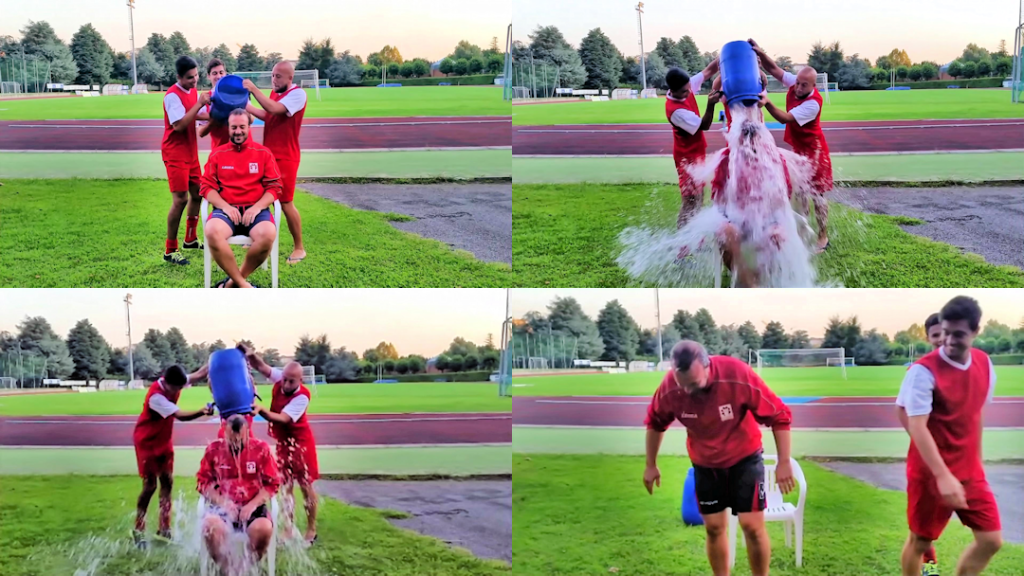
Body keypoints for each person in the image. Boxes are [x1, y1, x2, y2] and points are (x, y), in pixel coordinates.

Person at [644, 340, 794, 576]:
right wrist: (650, 465)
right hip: (705, 463)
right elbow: (655, 423)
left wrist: (783, 462)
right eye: (681, 384)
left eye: (693, 384)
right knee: (714, 528)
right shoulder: (670, 388)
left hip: (744, 457)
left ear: (707, 366)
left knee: (752, 526)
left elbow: (779, 415)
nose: (686, 391)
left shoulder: (736, 375)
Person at [895, 296, 1002, 576]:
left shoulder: (985, 365)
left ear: (976, 332)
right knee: (920, 541)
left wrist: (976, 462)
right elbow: (916, 425)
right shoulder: (922, 371)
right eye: (945, 332)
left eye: (959, 334)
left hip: (969, 472)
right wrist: (942, 475)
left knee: (991, 540)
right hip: (931, 474)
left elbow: (974, 416)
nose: (950, 340)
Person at [749, 39, 833, 252]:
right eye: (797, 83)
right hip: (799, 149)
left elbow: (785, 118)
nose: (798, 87)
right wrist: (761, 51)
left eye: (804, 85)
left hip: (815, 151)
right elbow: (776, 70)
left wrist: (767, 103)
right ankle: (802, 231)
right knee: (801, 192)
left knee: (817, 195)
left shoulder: (813, 103)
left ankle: (823, 236)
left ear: (814, 86)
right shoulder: (797, 83)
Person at [243, 346, 320, 544]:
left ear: (300, 381)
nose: (284, 383)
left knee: (305, 486)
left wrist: (260, 410)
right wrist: (250, 354)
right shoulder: (281, 378)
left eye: (290, 381)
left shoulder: (302, 396)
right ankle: (288, 527)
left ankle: (311, 529)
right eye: (284, 379)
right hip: (284, 444)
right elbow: (262, 366)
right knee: (285, 486)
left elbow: (283, 418)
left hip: (301, 444)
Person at [199, 109, 283, 288]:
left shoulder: (263, 153)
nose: (238, 131)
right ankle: (244, 287)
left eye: (242, 127)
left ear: (249, 126)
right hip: (225, 212)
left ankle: (230, 284)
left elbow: (275, 187)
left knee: (268, 234)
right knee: (212, 231)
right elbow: (206, 187)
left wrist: (257, 207)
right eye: (234, 127)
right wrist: (226, 207)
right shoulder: (218, 154)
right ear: (228, 128)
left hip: (256, 211)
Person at [132, 363, 213, 547]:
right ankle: (138, 528)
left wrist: (216, 360)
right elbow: (181, 415)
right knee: (150, 486)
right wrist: (201, 411)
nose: (180, 390)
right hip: (147, 442)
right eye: (177, 387)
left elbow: (199, 373)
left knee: (168, 481)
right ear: (167, 383)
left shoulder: (176, 381)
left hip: (163, 441)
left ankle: (164, 527)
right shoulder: (156, 398)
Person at [198, 413, 281, 573]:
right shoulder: (214, 450)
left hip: (253, 505)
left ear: (247, 432)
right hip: (222, 507)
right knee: (210, 526)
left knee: (264, 528)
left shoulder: (261, 450)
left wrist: (252, 505)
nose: (236, 444)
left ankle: (244, 567)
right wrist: (223, 502)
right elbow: (203, 483)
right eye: (231, 439)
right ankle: (227, 569)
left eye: (240, 440)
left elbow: (272, 484)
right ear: (224, 432)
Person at [244, 62, 308, 265]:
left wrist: (253, 90)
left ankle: (299, 248)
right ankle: (260, 237)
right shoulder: (274, 93)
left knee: (286, 202)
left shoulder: (298, 95)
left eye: (279, 76)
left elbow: (274, 109)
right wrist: (243, 105)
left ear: (290, 78)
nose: (274, 79)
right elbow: (268, 115)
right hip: (268, 155)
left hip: (286, 157)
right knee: (262, 196)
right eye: (273, 75)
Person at [161, 56, 211, 265]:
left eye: (197, 75)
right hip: (175, 153)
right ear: (179, 77)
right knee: (180, 200)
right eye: (190, 78)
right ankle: (170, 249)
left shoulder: (191, 92)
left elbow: (198, 115)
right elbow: (180, 125)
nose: (195, 80)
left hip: (190, 153)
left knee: (198, 194)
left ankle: (190, 239)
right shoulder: (172, 96)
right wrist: (200, 102)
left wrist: (223, 115)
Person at [665, 59, 721, 227]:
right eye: (685, 92)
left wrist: (724, 58)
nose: (689, 92)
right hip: (686, 158)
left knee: (699, 196)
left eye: (689, 88)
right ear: (673, 91)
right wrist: (710, 105)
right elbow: (704, 125)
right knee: (691, 200)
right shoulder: (676, 111)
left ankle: (693, 237)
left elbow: (707, 71)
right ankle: (683, 241)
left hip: (696, 153)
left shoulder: (685, 86)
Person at [197, 58, 233, 149]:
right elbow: (201, 132)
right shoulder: (205, 99)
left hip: (242, 150)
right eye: (214, 73)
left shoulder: (236, 92)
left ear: (225, 73)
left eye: (221, 72)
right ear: (208, 76)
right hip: (220, 150)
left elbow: (251, 119)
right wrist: (213, 121)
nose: (219, 76)